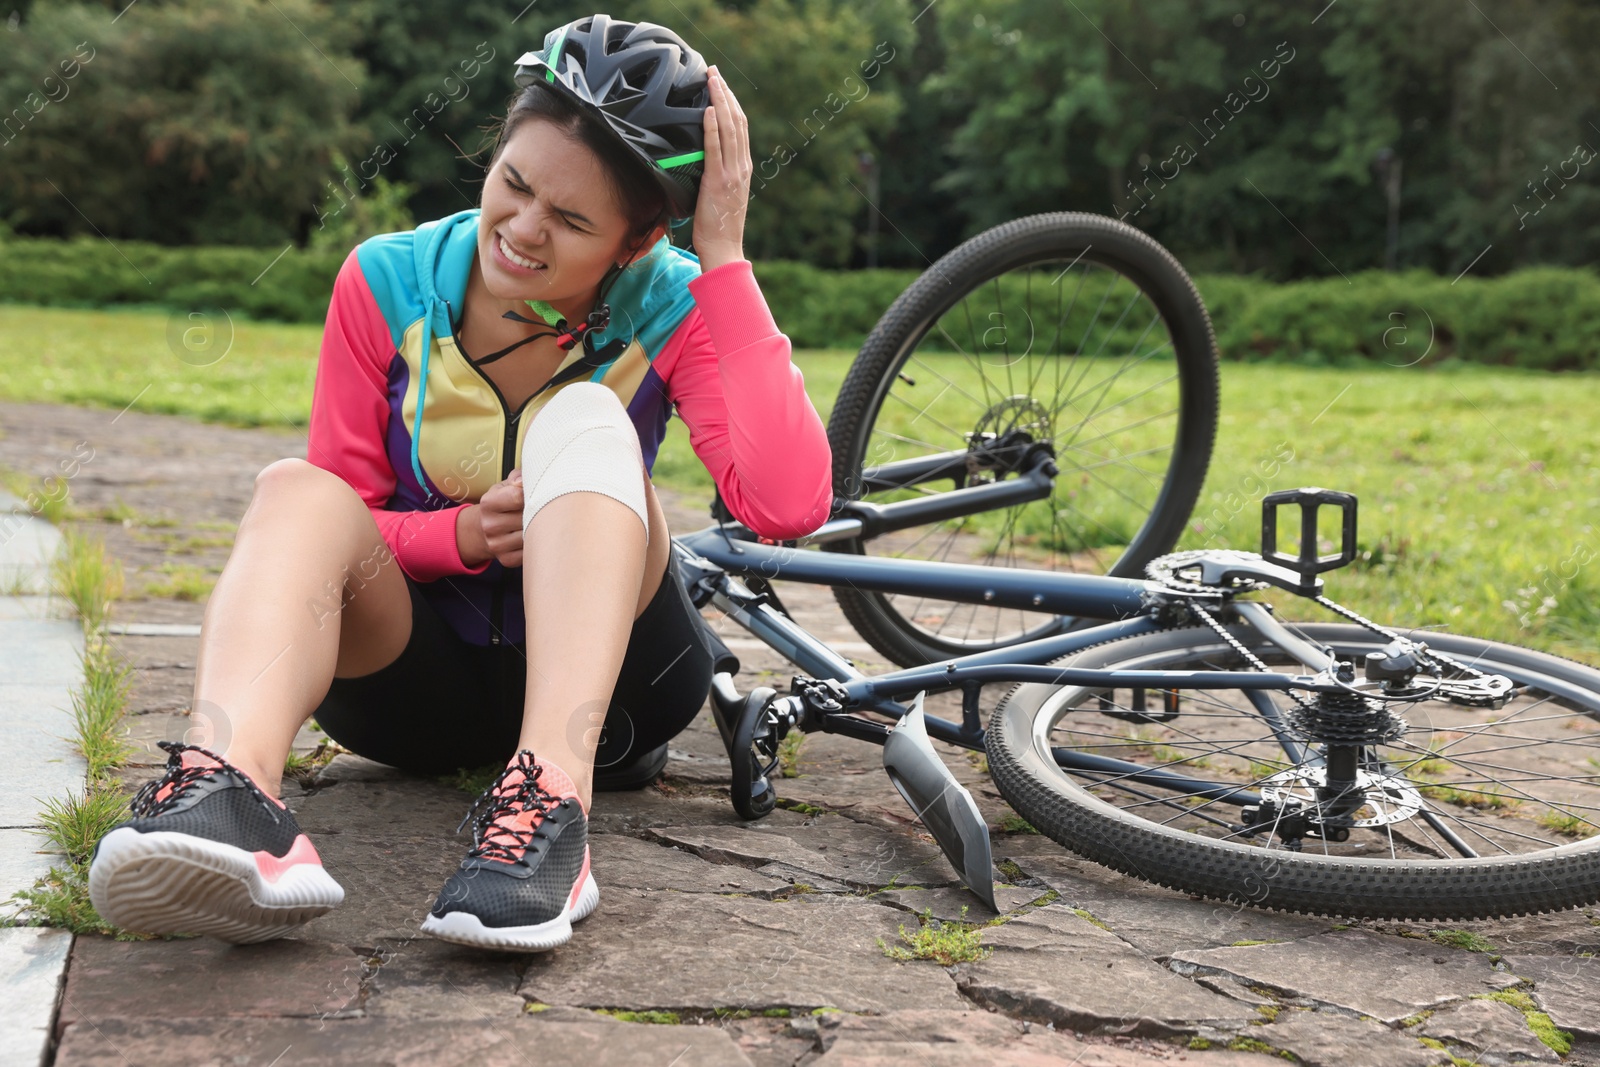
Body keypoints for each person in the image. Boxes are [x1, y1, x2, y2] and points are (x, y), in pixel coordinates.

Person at [85, 14, 832, 953]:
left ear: (637, 241)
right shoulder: (385, 281)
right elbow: (350, 514)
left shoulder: (674, 302)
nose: (522, 231)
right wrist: (459, 538)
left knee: (586, 418)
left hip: (625, 695)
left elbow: (788, 501)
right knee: (295, 488)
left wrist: (721, 257)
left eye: (570, 222)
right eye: (514, 185)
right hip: (409, 694)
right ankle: (226, 789)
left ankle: (551, 815)